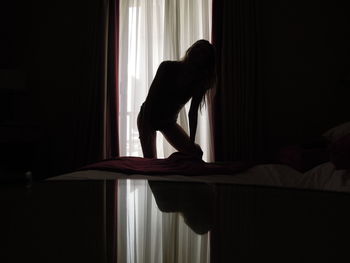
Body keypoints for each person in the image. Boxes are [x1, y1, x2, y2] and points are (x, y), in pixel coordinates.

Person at [137, 39, 216, 159]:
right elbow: (151, 99)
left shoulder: (200, 82)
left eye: (203, 54)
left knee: (196, 153)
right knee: (150, 163)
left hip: (168, 122)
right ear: (192, 51)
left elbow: (193, 113)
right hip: (148, 116)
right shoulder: (167, 67)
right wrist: (145, 128)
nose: (199, 55)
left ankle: (172, 166)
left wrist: (191, 142)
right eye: (198, 50)